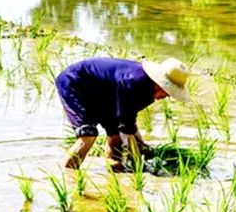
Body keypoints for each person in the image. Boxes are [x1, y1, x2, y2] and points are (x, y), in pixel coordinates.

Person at [55, 57, 192, 171]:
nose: (167, 96)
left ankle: (114, 172)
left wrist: (141, 145)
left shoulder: (149, 93)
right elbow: (127, 127)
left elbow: (129, 121)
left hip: (104, 93)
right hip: (75, 82)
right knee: (88, 135)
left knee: (116, 138)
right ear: (159, 83)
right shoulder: (133, 82)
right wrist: (140, 166)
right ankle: (68, 177)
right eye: (168, 91)